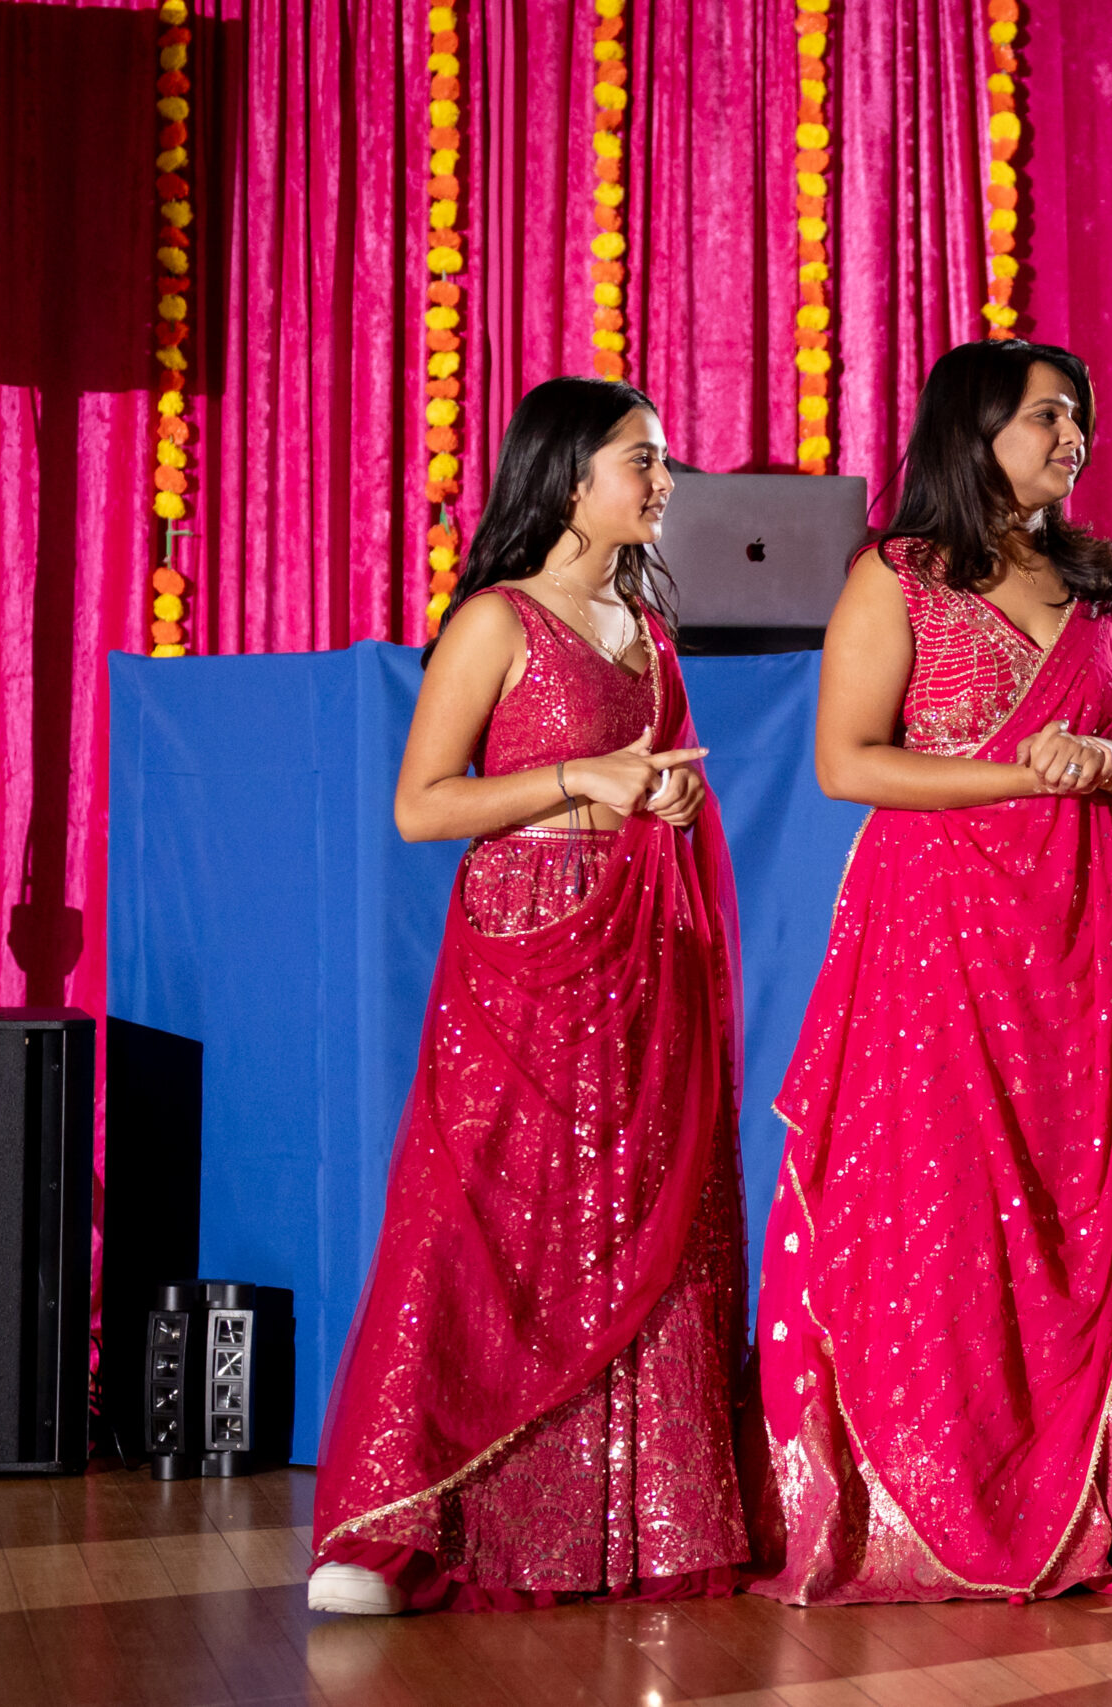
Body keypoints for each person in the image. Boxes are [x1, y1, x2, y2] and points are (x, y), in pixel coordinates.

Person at [742, 339, 1112, 1604]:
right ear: (974, 431)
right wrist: (1024, 769)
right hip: (940, 941)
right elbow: (849, 762)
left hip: (1089, 948)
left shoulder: (1102, 582)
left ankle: (1103, 1496)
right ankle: (932, 1498)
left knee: (1086, 1212)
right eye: (1045, 416)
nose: (1072, 438)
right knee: (943, 1211)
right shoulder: (899, 575)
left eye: (1078, 417)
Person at [307, 378, 748, 1615]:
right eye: (641, 460)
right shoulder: (497, 621)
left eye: (663, 461)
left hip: (641, 951)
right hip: (524, 949)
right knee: (487, 1216)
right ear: (566, 476)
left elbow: (652, 775)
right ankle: (405, 1525)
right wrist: (578, 780)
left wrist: (662, 795)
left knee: (640, 1220)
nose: (664, 482)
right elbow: (422, 806)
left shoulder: (645, 628)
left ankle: (634, 1526)